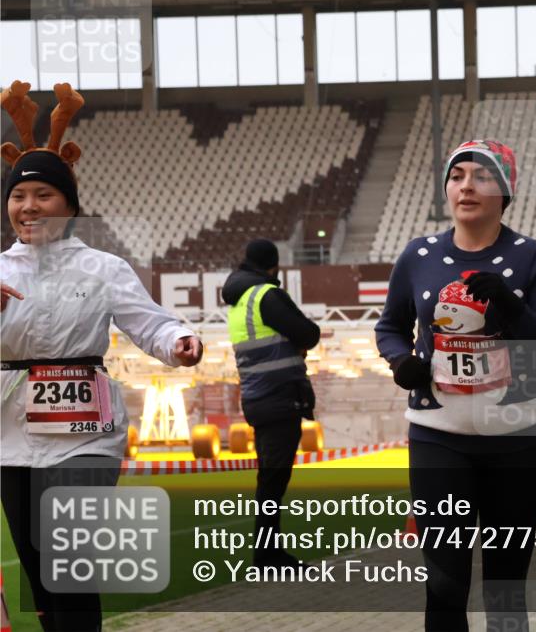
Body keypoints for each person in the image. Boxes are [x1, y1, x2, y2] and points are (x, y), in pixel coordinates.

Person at [0, 80, 203, 631]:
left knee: (71, 568)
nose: (28, 206)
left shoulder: (104, 267)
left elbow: (151, 322)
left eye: (43, 195)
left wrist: (179, 342)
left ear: (69, 202)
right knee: (42, 580)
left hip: (85, 433)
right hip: (11, 438)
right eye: (18, 196)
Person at [375, 140, 536, 631]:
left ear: (505, 190)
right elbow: (389, 327)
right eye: (457, 175)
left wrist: (512, 308)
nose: (466, 186)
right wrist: (402, 361)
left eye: (482, 176)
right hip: (438, 436)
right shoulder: (418, 254)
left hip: (518, 439)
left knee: (505, 585)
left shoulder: (532, 257)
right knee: (444, 584)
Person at [222, 238, 320, 568]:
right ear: (274, 266)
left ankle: (268, 553)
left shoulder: (238, 301)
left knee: (270, 479)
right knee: (273, 482)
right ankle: (267, 555)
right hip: (279, 397)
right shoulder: (266, 295)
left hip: (257, 396)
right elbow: (307, 333)